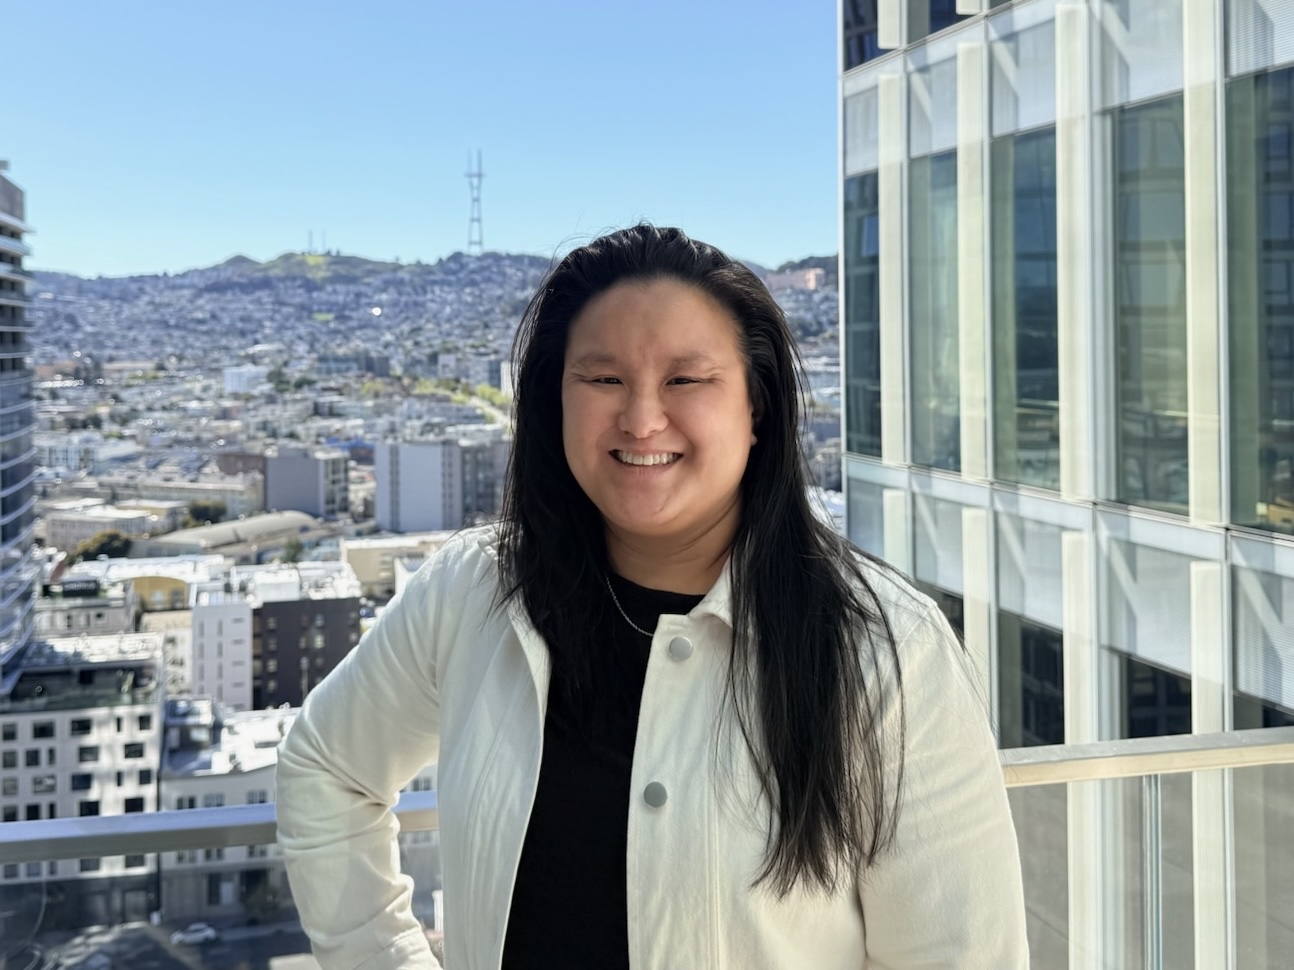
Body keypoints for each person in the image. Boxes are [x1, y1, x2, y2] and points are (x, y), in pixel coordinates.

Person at [276, 225, 1029, 969]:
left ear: (756, 405)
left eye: (685, 380)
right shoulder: (474, 590)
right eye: (603, 380)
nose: (640, 419)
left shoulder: (886, 653)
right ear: (555, 402)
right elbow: (326, 766)